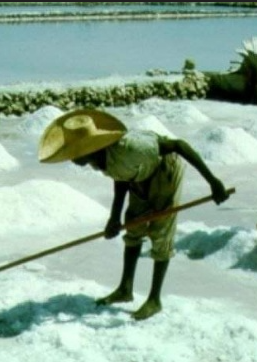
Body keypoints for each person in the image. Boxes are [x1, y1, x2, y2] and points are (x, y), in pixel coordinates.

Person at [38, 109, 230, 320]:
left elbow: (178, 145)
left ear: (89, 149)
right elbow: (121, 176)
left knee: (160, 233)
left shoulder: (131, 148)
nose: (71, 158)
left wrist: (213, 182)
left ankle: (154, 299)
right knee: (133, 228)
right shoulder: (101, 158)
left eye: (75, 152)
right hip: (138, 176)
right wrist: (114, 217)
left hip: (164, 170)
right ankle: (125, 289)